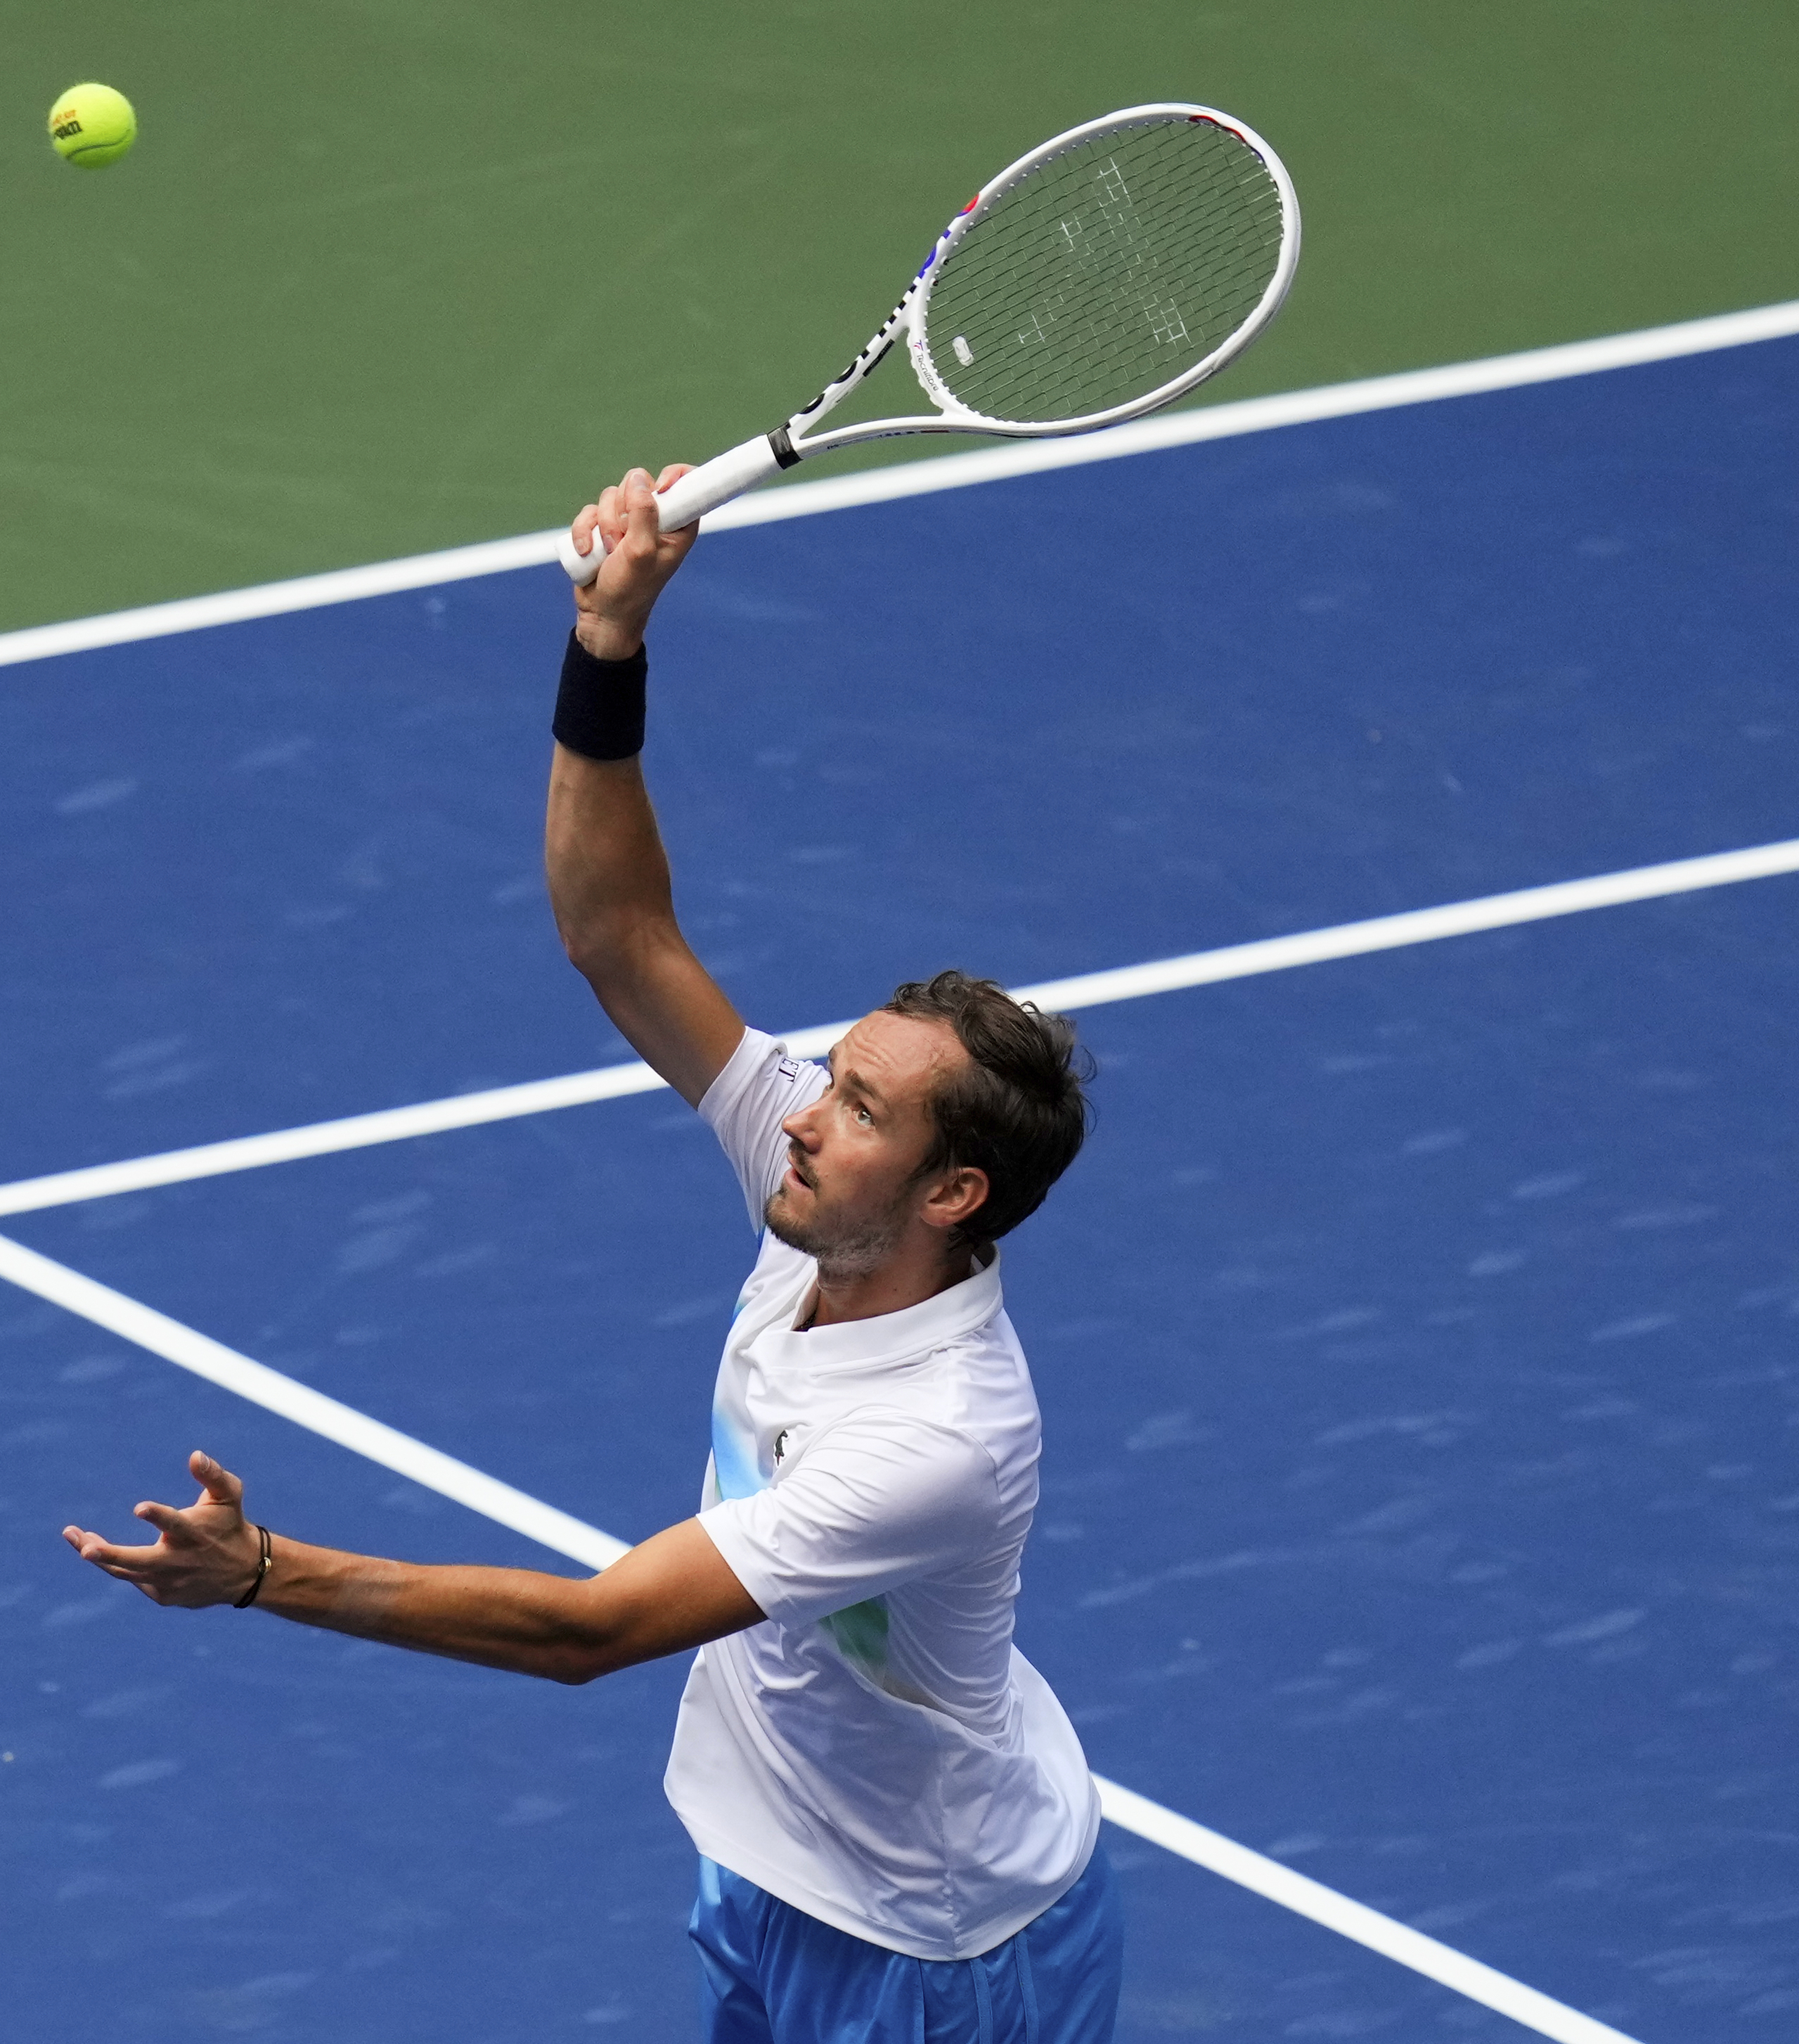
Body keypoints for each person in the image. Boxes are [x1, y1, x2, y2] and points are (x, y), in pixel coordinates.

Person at [64, 465, 1119, 2040]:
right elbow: (619, 934)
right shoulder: (819, 1184)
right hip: (771, 1870)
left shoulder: (937, 1441)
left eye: (863, 1106)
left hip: (938, 1949)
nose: (808, 1117)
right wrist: (607, 646)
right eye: (828, 1075)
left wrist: (266, 1573)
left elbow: (590, 1630)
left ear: (954, 1191)